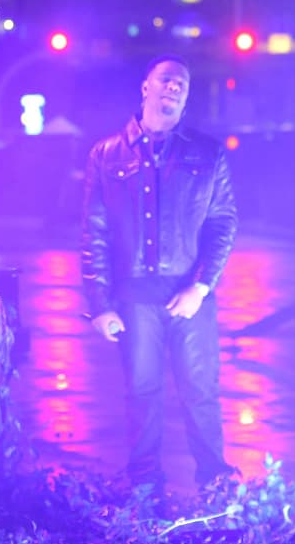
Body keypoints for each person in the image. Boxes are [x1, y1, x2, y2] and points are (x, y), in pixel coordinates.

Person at [81, 56, 238, 498]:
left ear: (186, 99)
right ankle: (145, 485)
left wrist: (201, 286)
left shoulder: (207, 154)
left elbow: (222, 222)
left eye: (181, 84)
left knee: (200, 392)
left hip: (191, 294)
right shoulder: (106, 155)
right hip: (134, 299)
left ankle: (216, 483)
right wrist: (100, 304)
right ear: (145, 87)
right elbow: (94, 232)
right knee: (142, 393)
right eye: (166, 79)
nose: (173, 87)